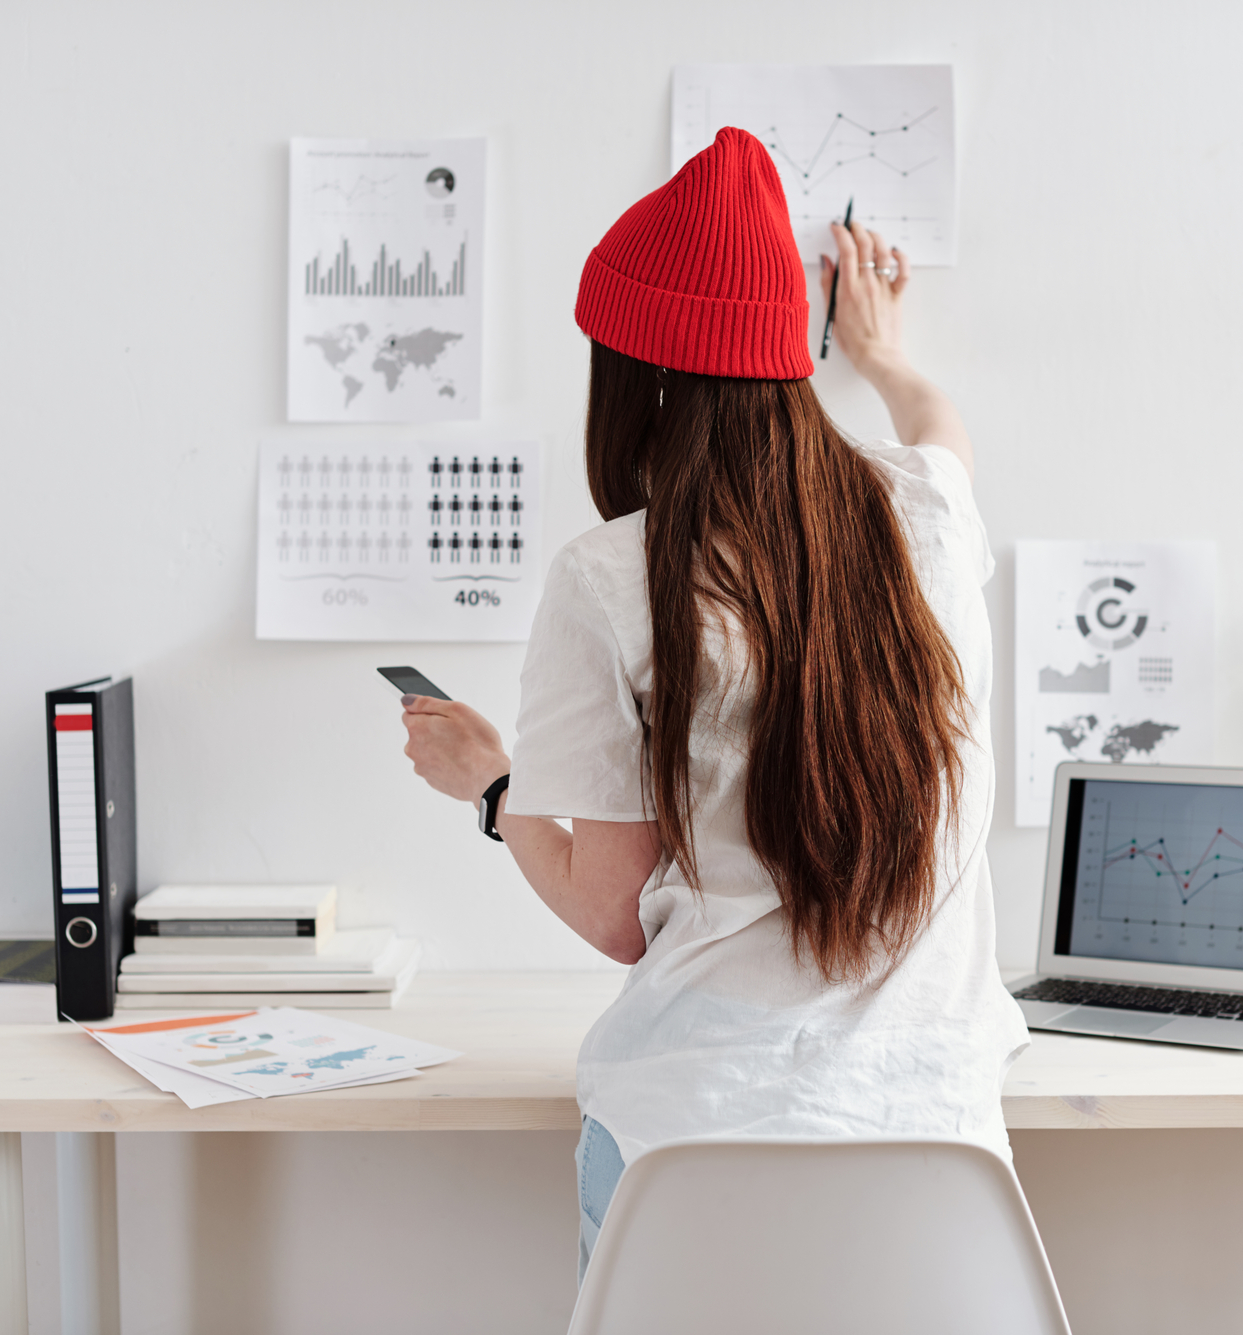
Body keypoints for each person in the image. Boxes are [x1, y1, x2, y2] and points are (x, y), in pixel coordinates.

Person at [398, 127, 1028, 1280]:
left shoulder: (608, 579)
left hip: (688, 1149)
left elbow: (615, 918)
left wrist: (494, 789)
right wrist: (879, 356)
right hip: (935, 1154)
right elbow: (942, 433)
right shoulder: (927, 520)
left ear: (632, 382)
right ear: (785, 363)